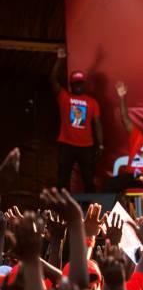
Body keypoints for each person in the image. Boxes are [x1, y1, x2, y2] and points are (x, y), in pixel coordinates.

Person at [49, 47, 103, 192]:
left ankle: (90, 210)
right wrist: (60, 60)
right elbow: (53, 79)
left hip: (86, 146)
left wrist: (101, 144)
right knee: (62, 179)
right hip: (66, 144)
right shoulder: (64, 97)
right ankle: (61, 210)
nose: (78, 86)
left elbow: (97, 124)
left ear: (84, 84)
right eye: (76, 83)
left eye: (80, 83)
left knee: (88, 179)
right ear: (71, 85)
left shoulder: (92, 102)